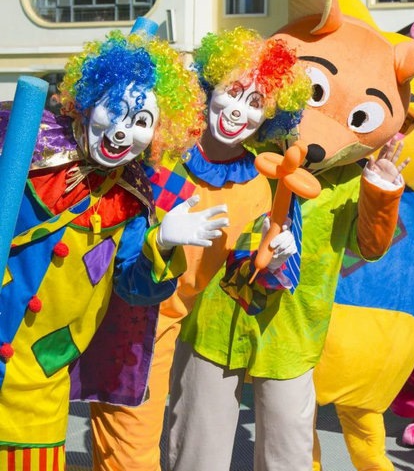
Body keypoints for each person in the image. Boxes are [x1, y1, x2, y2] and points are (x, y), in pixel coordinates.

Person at [89, 27, 311, 471]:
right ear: (210, 86)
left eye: (255, 102)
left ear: (270, 116)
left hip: (157, 328)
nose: (238, 110)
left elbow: (241, 283)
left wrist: (271, 260)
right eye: (233, 91)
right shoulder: (161, 145)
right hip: (110, 306)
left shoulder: (256, 186)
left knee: (131, 455)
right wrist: (160, 237)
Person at [0, 25, 212, 467]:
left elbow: (133, 288)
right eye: (113, 109)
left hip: (40, 377)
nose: (121, 130)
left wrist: (162, 244)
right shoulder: (26, 148)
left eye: (141, 121)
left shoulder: (133, 201)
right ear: (86, 103)